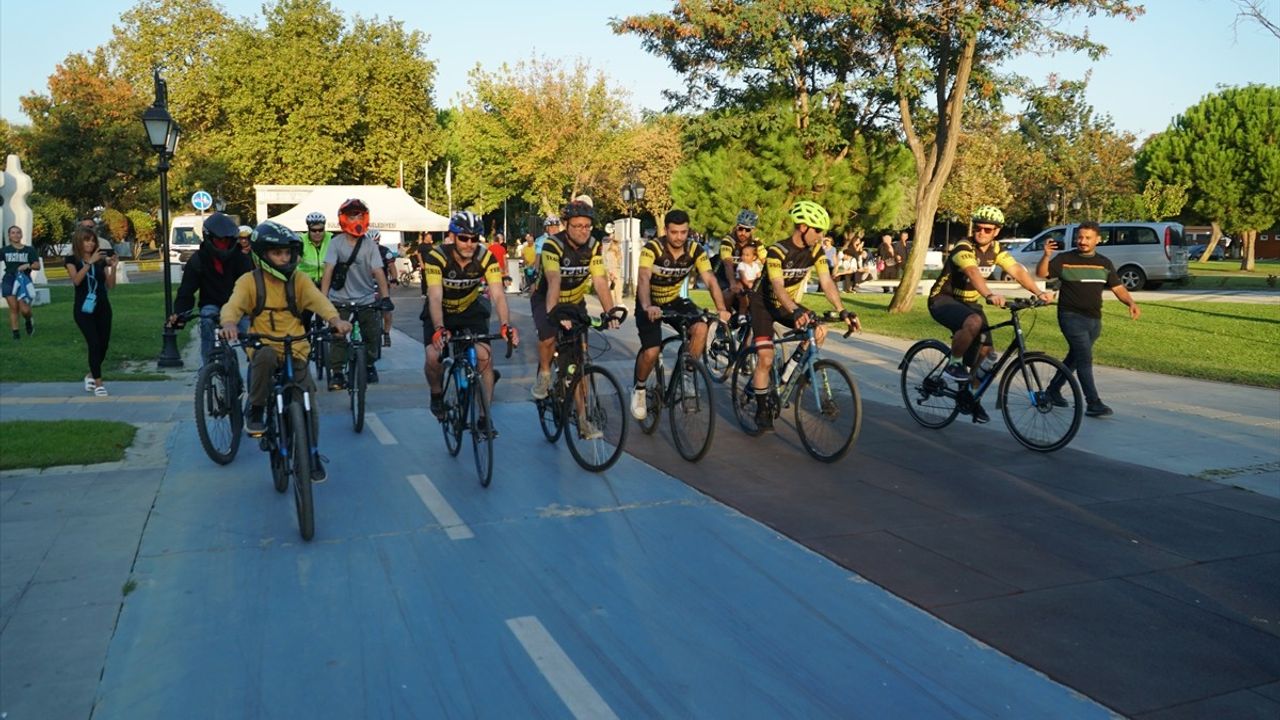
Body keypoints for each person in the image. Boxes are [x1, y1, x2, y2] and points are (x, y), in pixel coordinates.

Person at [219, 222, 352, 479]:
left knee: (307, 399)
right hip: (264, 344)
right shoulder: (249, 281)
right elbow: (233, 305)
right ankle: (256, 408)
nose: (284, 258)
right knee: (265, 357)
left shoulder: (299, 280)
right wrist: (229, 323)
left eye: (287, 253)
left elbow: (319, 301)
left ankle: (312, 453)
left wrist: (335, 320)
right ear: (262, 254)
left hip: (296, 346)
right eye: (277, 253)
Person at [928, 205, 1055, 424]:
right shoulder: (963, 247)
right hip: (943, 299)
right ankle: (954, 364)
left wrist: (1039, 292)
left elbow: (1016, 270)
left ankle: (970, 398)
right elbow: (972, 271)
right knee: (973, 321)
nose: (981, 232)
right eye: (978, 227)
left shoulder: (996, 249)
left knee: (987, 357)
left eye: (987, 229)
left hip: (969, 303)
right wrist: (988, 294)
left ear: (996, 231)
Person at [747, 201, 860, 431]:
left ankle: (786, 375)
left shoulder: (816, 251)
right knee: (766, 358)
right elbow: (778, 286)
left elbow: (826, 282)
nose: (821, 236)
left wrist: (842, 310)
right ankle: (761, 409)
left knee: (820, 331)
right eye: (818, 230)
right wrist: (796, 310)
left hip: (787, 305)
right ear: (802, 227)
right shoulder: (777, 251)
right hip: (763, 305)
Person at [630, 209, 732, 420]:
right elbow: (643, 278)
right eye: (674, 232)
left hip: (674, 300)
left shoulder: (695, 249)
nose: (679, 237)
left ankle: (687, 374)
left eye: (683, 232)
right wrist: (647, 306)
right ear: (665, 230)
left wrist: (722, 308)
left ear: (688, 231)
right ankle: (639, 389)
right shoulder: (652, 249)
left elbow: (710, 279)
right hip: (649, 303)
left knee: (701, 327)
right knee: (651, 351)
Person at [423, 211, 519, 432]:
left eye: (474, 239)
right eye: (463, 238)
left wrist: (505, 324)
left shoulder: (486, 257)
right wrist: (439, 328)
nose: (469, 244)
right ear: (452, 237)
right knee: (433, 356)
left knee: (485, 356)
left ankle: (484, 418)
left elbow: (498, 295)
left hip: (469, 309)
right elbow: (435, 296)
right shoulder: (437, 257)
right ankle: (436, 394)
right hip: (441, 310)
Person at [529, 201, 624, 416]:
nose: (583, 231)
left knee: (580, 361)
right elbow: (554, 280)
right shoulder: (553, 245)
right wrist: (555, 313)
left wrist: (610, 312)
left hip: (575, 302)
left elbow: (599, 281)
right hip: (547, 299)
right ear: (566, 225)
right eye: (578, 226)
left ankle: (583, 418)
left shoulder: (593, 246)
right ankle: (545, 374)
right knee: (548, 336)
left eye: (587, 226)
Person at [1037, 220, 1140, 417]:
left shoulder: (1104, 263)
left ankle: (1052, 391)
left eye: (1087, 238)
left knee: (1075, 357)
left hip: (1094, 320)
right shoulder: (1065, 259)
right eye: (1080, 237)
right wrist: (1046, 255)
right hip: (1070, 317)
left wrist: (1130, 303)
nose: (1083, 241)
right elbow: (1042, 274)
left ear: (1098, 240)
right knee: (1084, 358)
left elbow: (1118, 287)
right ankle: (1093, 402)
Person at [320, 198, 392, 389]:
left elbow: (378, 272)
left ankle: (369, 365)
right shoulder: (336, 243)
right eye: (352, 216)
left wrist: (385, 298)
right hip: (340, 299)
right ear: (343, 218)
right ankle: (337, 373)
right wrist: (323, 300)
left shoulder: (370, 245)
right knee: (338, 336)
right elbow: (328, 271)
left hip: (366, 299)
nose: (356, 220)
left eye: (360, 216)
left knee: (372, 335)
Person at [168, 212, 253, 363]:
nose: (223, 244)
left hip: (239, 307)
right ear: (209, 238)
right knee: (207, 321)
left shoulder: (241, 259)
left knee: (254, 344)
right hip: (211, 305)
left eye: (227, 240)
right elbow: (187, 290)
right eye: (219, 240)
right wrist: (180, 313)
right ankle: (207, 367)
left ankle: (257, 370)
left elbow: (251, 287)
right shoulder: (198, 260)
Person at [67, 226, 117, 396]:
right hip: (84, 308)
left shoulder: (100, 261)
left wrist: (113, 267)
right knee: (94, 343)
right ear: (79, 242)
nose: (90, 244)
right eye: (86, 240)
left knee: (103, 345)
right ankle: (98, 383)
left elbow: (110, 285)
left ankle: (91, 375)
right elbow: (76, 280)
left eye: (92, 241)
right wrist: (89, 263)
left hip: (102, 306)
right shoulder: (72, 260)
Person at [3, 225, 41, 339]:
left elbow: (37, 266)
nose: (16, 235)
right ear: (9, 236)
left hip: (24, 280)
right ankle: (16, 334)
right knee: (13, 307)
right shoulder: (5, 250)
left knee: (24, 310)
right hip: (9, 279)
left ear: (21, 235)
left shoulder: (29, 250)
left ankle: (28, 320)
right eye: (13, 233)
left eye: (18, 232)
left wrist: (28, 265)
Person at [717, 209, 759, 299]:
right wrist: (732, 283)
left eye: (747, 230)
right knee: (730, 294)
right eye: (740, 228)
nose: (743, 233)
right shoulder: (728, 241)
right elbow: (728, 263)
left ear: (753, 230)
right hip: (724, 277)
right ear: (736, 227)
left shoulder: (755, 243)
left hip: (744, 280)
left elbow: (765, 260)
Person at [298, 211, 332, 285]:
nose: (317, 233)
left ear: (324, 228)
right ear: (308, 229)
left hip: (327, 282)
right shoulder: (300, 241)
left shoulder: (332, 239)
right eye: (313, 230)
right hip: (305, 283)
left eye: (320, 230)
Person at [732, 240, 763, 315]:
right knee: (744, 302)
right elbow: (742, 277)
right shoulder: (741, 265)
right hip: (742, 285)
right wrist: (749, 284)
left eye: (747, 255)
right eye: (743, 254)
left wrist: (758, 283)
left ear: (754, 257)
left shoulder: (755, 265)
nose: (744, 257)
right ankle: (741, 316)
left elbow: (759, 275)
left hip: (752, 285)